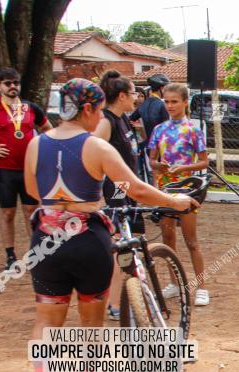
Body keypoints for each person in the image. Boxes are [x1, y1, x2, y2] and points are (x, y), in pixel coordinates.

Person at [22, 78, 199, 372]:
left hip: (46, 237)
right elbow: (137, 190)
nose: (98, 116)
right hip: (87, 237)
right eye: (97, 109)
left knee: (47, 317)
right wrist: (175, 201)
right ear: (87, 108)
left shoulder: (36, 144)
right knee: (92, 317)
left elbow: (33, 189)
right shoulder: (95, 147)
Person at [0, 67, 52, 270]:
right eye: (8, 83)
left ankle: (35, 252)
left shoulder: (31, 108)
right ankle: (10, 254)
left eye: (15, 82)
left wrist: (41, 152)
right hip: (3, 169)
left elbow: (48, 130)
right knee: (7, 212)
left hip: (28, 169)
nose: (13, 86)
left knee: (31, 211)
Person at [148, 82, 210, 306]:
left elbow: (204, 160)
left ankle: (201, 286)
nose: (170, 105)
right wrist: (159, 165)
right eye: (166, 101)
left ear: (185, 102)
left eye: (174, 101)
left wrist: (184, 168)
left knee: (191, 240)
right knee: (167, 239)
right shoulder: (159, 130)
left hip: (187, 188)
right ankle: (174, 283)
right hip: (165, 189)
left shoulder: (193, 130)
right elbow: (151, 159)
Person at [93, 70, 142, 321]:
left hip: (124, 189)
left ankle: (125, 298)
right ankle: (113, 304)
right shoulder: (106, 121)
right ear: (121, 95)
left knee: (126, 244)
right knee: (119, 247)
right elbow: (89, 155)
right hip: (114, 190)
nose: (136, 98)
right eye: (133, 93)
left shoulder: (123, 119)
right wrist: (103, 199)